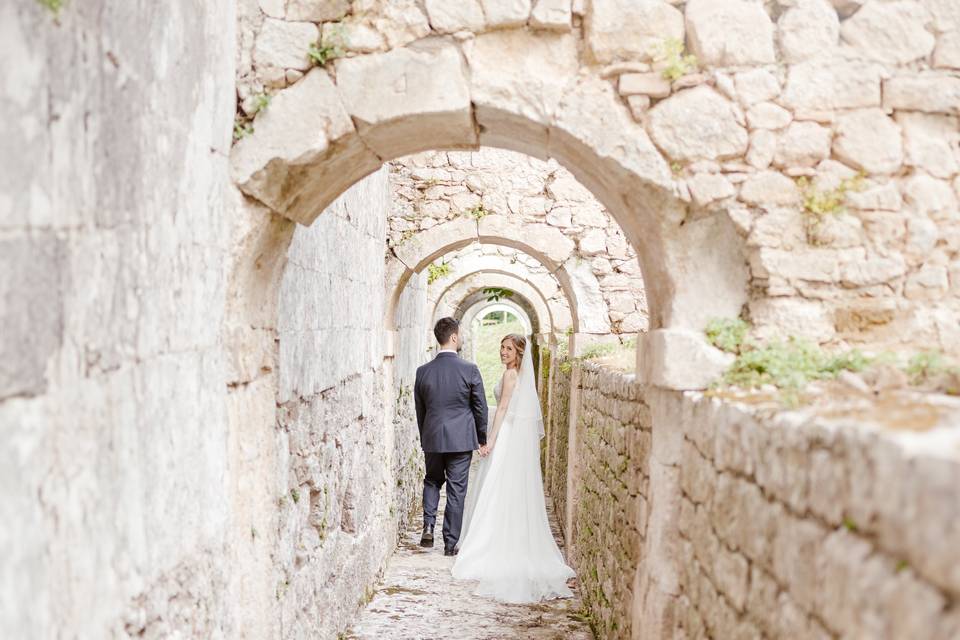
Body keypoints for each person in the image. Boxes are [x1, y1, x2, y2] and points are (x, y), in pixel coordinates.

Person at [452, 333, 575, 603]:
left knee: (495, 488)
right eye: (501, 347)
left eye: (508, 349)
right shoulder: (517, 375)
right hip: (513, 436)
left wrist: (489, 441)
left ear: (519, 353)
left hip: (506, 435)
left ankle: (491, 542)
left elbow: (503, 408)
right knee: (507, 490)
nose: (503, 352)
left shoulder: (510, 376)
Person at [414, 317, 489, 556]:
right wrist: (482, 436)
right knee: (457, 489)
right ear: (454, 337)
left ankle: (428, 525)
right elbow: (480, 407)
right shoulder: (469, 369)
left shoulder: (423, 371)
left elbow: (420, 409)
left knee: (432, 480)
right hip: (460, 439)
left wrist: (425, 436)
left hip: (433, 437)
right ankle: (449, 543)